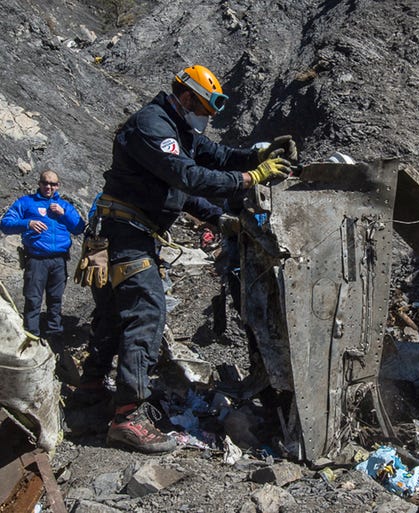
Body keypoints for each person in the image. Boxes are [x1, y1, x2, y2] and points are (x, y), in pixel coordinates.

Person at [76, 64, 296, 454]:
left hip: (127, 230)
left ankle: (90, 391)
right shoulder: (153, 124)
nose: (206, 120)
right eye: (204, 110)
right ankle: (128, 417)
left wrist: (257, 156)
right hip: (125, 232)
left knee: (113, 314)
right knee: (146, 311)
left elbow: (218, 159)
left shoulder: (182, 132)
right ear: (187, 96)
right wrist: (252, 178)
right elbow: (189, 178)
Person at [0, 169, 85, 345]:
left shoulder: (63, 206)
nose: (49, 187)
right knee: (33, 298)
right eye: (45, 183)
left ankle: (55, 337)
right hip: (36, 259)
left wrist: (64, 213)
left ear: (58, 186)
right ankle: (32, 336)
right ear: (39, 184)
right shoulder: (26, 202)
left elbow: (79, 227)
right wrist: (27, 223)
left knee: (55, 299)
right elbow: (5, 224)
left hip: (59, 260)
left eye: (53, 184)